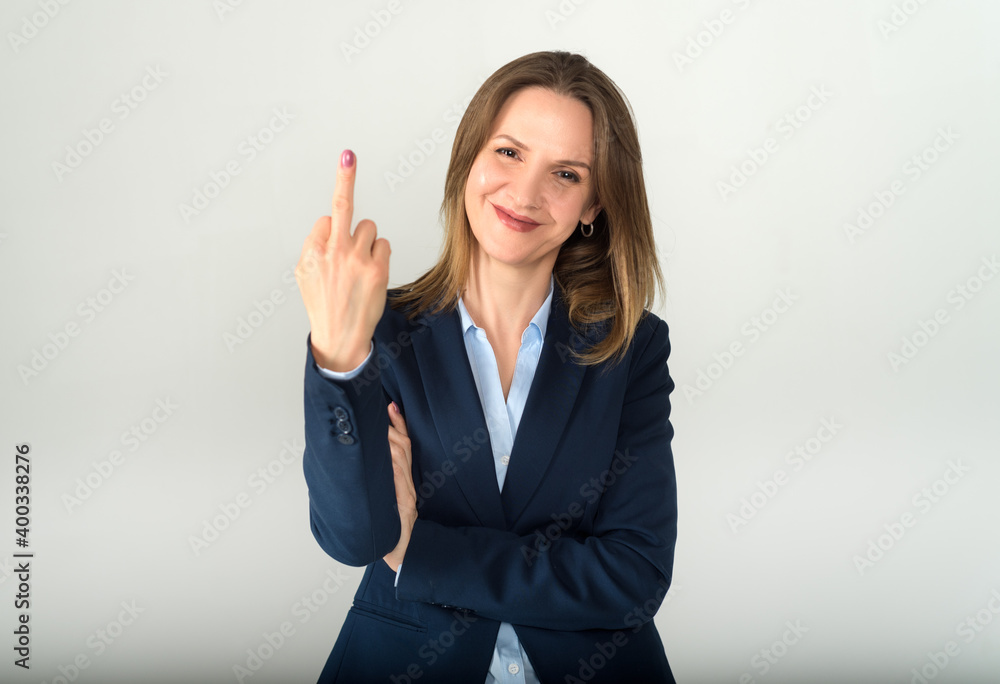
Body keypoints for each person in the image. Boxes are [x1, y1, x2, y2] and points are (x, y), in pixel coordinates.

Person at [295, 50, 677, 684]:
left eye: (566, 174)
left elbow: (632, 575)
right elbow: (355, 539)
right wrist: (338, 354)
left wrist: (421, 549)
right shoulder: (375, 331)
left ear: (592, 205)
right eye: (508, 153)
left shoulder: (632, 348)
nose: (525, 193)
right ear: (467, 159)